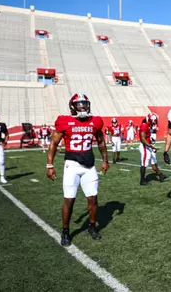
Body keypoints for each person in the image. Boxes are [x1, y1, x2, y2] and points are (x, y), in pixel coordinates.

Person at [46, 93, 109, 246]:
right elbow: (54, 143)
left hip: (89, 166)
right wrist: (49, 164)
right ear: (72, 107)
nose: (83, 107)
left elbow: (100, 142)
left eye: (85, 103)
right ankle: (65, 230)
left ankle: (92, 226)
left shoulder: (95, 121)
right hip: (72, 166)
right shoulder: (64, 121)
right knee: (69, 200)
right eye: (80, 104)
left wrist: (106, 160)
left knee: (93, 199)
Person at [139, 113, 167, 186]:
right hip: (145, 146)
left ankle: (160, 175)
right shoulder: (144, 125)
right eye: (152, 122)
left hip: (149, 146)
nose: (153, 123)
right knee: (144, 163)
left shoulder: (149, 125)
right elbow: (143, 139)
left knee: (154, 162)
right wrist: (151, 146)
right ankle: (142, 181)